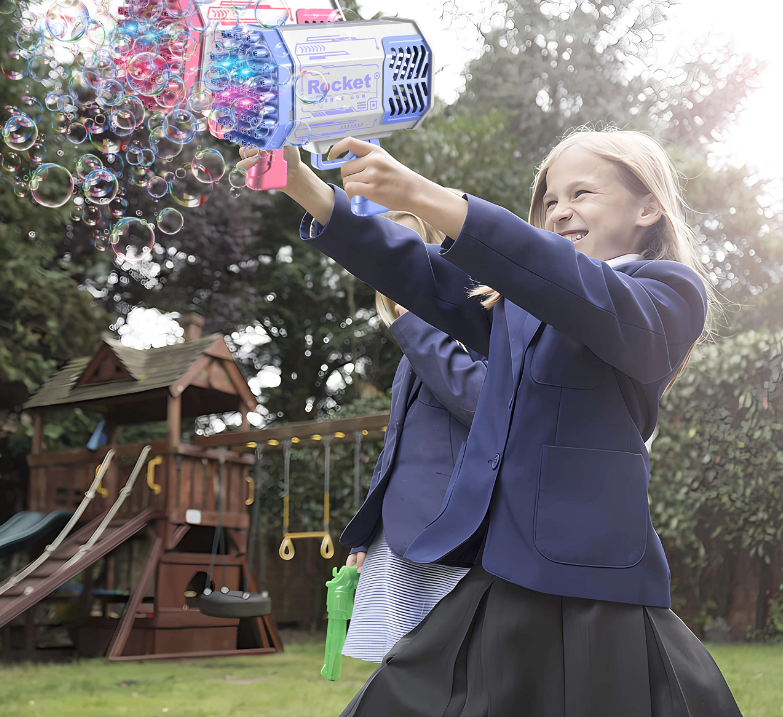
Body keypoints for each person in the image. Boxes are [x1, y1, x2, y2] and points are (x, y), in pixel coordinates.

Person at [280, 128, 742, 716]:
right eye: (550, 199)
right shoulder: (519, 307)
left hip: (593, 586)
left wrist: (423, 196)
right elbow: (419, 274)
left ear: (649, 207)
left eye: (583, 192)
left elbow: (576, 289)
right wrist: (305, 187)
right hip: (502, 570)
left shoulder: (669, 294)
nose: (561, 210)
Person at [340, 208, 487, 663]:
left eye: (404, 249)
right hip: (400, 533)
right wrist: (368, 536)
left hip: (447, 537)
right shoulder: (411, 348)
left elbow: (480, 403)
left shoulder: (470, 323)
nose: (389, 260)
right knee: (394, 674)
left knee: (440, 673)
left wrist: (417, 320)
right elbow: (396, 452)